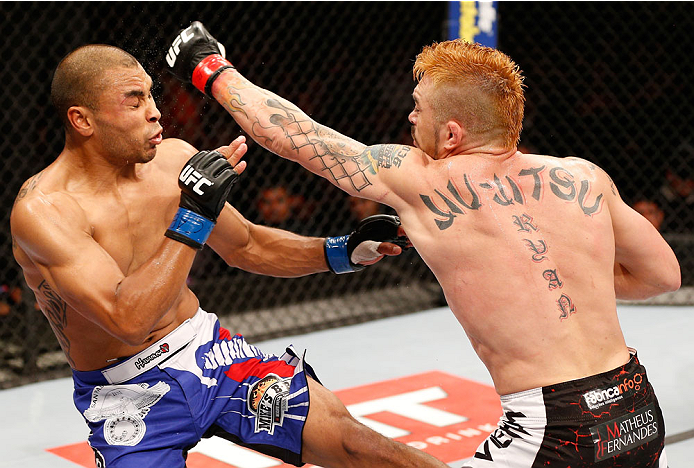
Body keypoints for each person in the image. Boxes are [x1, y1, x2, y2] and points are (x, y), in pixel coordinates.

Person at [167, 22, 682, 467]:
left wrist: (209, 67)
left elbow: (296, 136)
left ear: (452, 132)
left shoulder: (422, 180)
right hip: (637, 404)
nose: (411, 119)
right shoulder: (584, 177)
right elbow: (663, 276)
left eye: (418, 108)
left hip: (555, 424)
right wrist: (573, 284)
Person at [10, 44, 448, 468]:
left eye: (151, 94)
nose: (155, 111)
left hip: (212, 355)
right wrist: (194, 214)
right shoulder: (44, 210)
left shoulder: (173, 160)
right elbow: (127, 320)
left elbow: (247, 246)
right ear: (82, 120)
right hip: (126, 391)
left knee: (356, 444)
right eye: (134, 100)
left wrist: (341, 251)